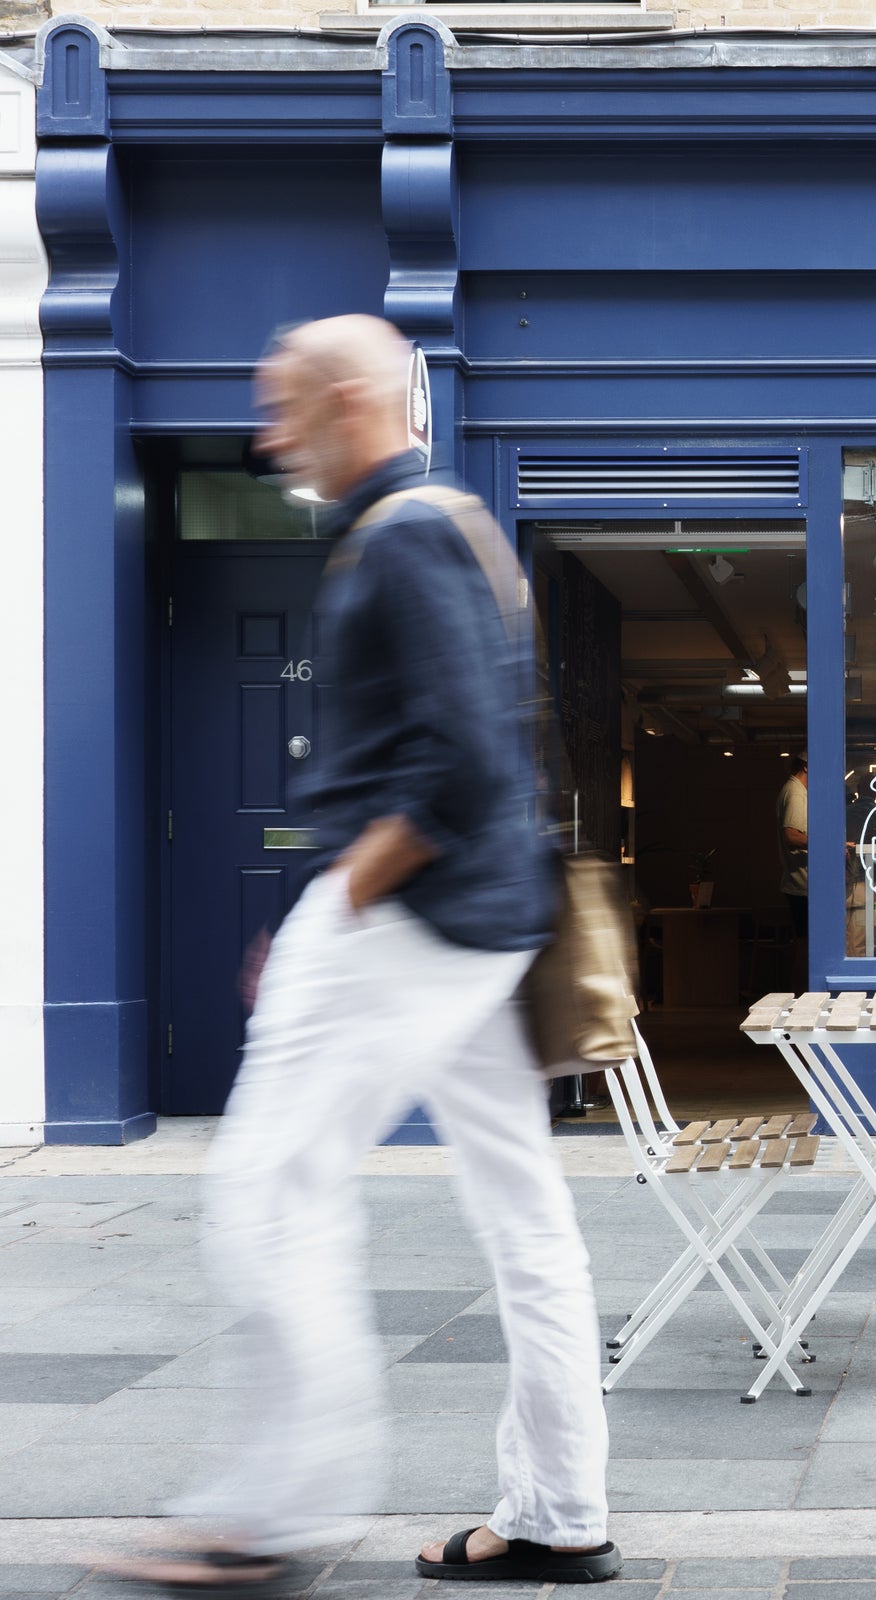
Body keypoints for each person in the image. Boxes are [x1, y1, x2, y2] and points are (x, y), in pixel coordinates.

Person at [112, 316, 618, 1592]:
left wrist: (340, 896)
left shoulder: (400, 537)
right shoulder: (446, 525)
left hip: (407, 920)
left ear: (347, 401)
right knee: (526, 1219)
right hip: (481, 925)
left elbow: (458, 759)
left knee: (268, 1189)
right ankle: (559, 1509)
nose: (269, 437)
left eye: (281, 407)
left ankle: (270, 1515)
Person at [777, 755, 810, 938]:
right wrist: (828, 846)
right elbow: (791, 835)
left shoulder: (796, 790)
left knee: (805, 941)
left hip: (800, 883)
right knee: (806, 943)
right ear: (806, 767)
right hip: (801, 884)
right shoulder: (796, 793)